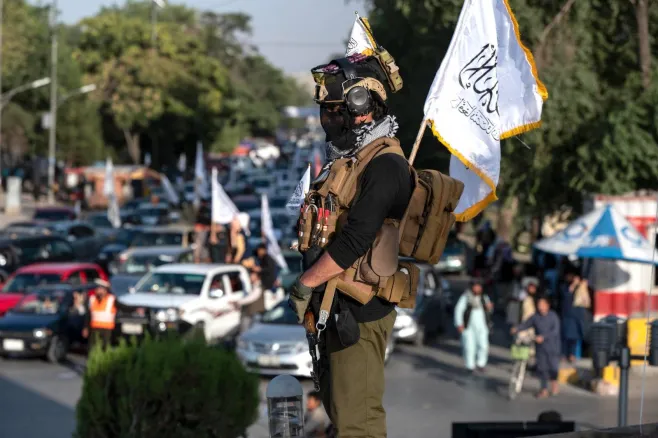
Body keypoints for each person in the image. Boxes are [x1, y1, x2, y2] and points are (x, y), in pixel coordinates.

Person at [288, 51, 411, 437]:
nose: (328, 119)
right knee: (342, 417)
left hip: (359, 313)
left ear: (360, 107)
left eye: (334, 110)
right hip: (334, 310)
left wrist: (305, 283)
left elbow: (356, 239)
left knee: (358, 426)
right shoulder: (350, 161)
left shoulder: (385, 165)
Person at [512, 295, 561, 398]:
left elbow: (555, 331)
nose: (540, 307)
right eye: (539, 304)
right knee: (542, 368)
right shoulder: (535, 317)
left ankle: (554, 385)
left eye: (543, 304)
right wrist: (517, 329)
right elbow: (526, 324)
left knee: (553, 367)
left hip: (553, 347)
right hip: (540, 347)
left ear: (547, 305)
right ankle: (544, 389)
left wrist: (544, 337)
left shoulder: (553, 316)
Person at [454, 278, 493, 373]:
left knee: (483, 345)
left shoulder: (484, 297)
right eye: (475, 286)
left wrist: (489, 308)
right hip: (469, 325)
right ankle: (470, 365)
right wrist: (459, 324)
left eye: (479, 287)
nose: (477, 288)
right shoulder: (466, 297)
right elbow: (458, 310)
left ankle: (481, 363)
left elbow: (489, 311)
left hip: (482, 325)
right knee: (469, 347)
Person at [560, 270, 592, 362]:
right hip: (567, 315)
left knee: (575, 337)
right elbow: (567, 295)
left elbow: (586, 301)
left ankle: (572, 354)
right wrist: (573, 285)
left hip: (576, 316)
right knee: (566, 337)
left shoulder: (581, 288)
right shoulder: (564, 286)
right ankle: (564, 354)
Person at [83, 279, 116, 352]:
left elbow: (123, 308)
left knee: (105, 348)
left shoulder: (112, 299)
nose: (98, 291)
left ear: (105, 290)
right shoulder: (92, 299)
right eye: (97, 289)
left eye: (100, 289)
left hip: (107, 329)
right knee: (92, 348)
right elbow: (88, 315)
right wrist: (86, 327)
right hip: (94, 328)